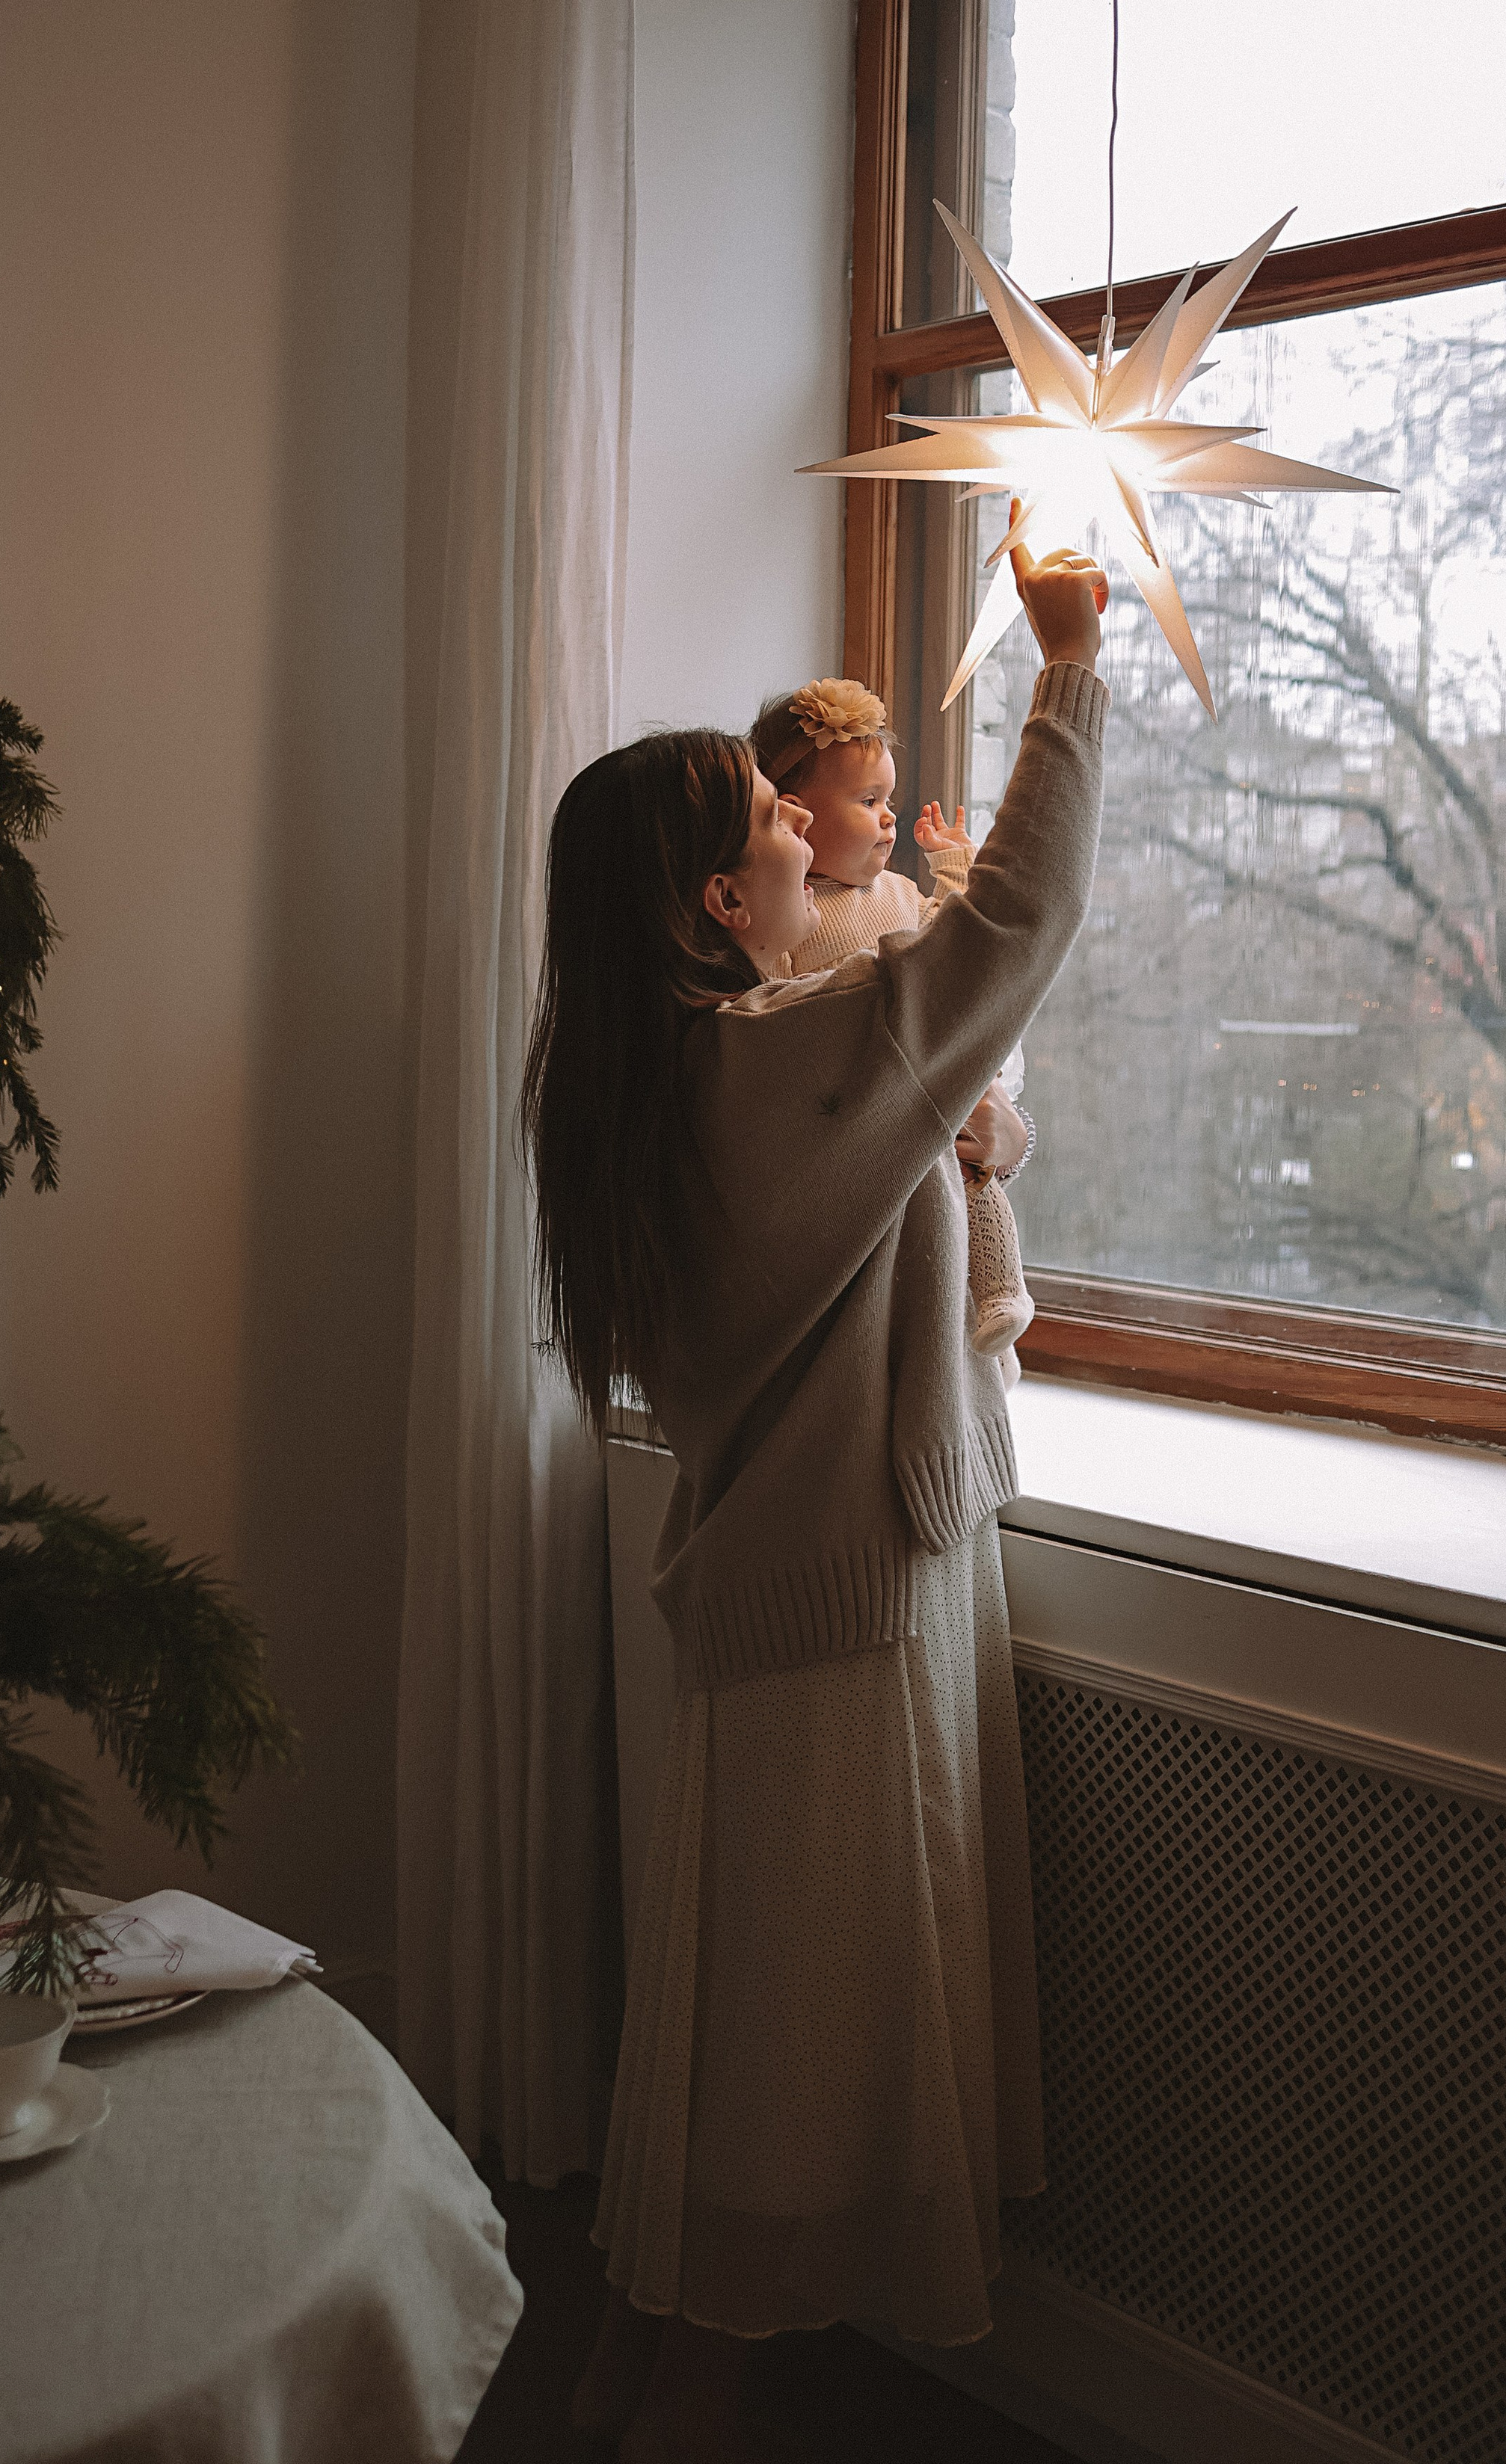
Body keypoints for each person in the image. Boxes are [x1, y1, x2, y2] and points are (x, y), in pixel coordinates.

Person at [522, 544, 1108, 2463]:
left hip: (770, 1591)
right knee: (789, 2054)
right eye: (784, 817)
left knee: (727, 2029)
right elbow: (1006, 925)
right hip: (836, 1604)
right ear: (722, 894)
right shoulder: (774, 1065)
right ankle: (676, 2406)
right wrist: (1069, 664)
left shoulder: (642, 1070)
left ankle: (615, 2381)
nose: (815, 834)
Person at [749, 674, 1036, 1358]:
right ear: (795, 812)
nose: (889, 819)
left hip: (931, 1102)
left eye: (890, 800)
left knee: (965, 1190)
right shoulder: (785, 917)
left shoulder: (902, 892)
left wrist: (959, 868)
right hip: (858, 1135)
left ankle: (998, 1295)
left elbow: (960, 949)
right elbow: (773, 1010)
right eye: (870, 801)